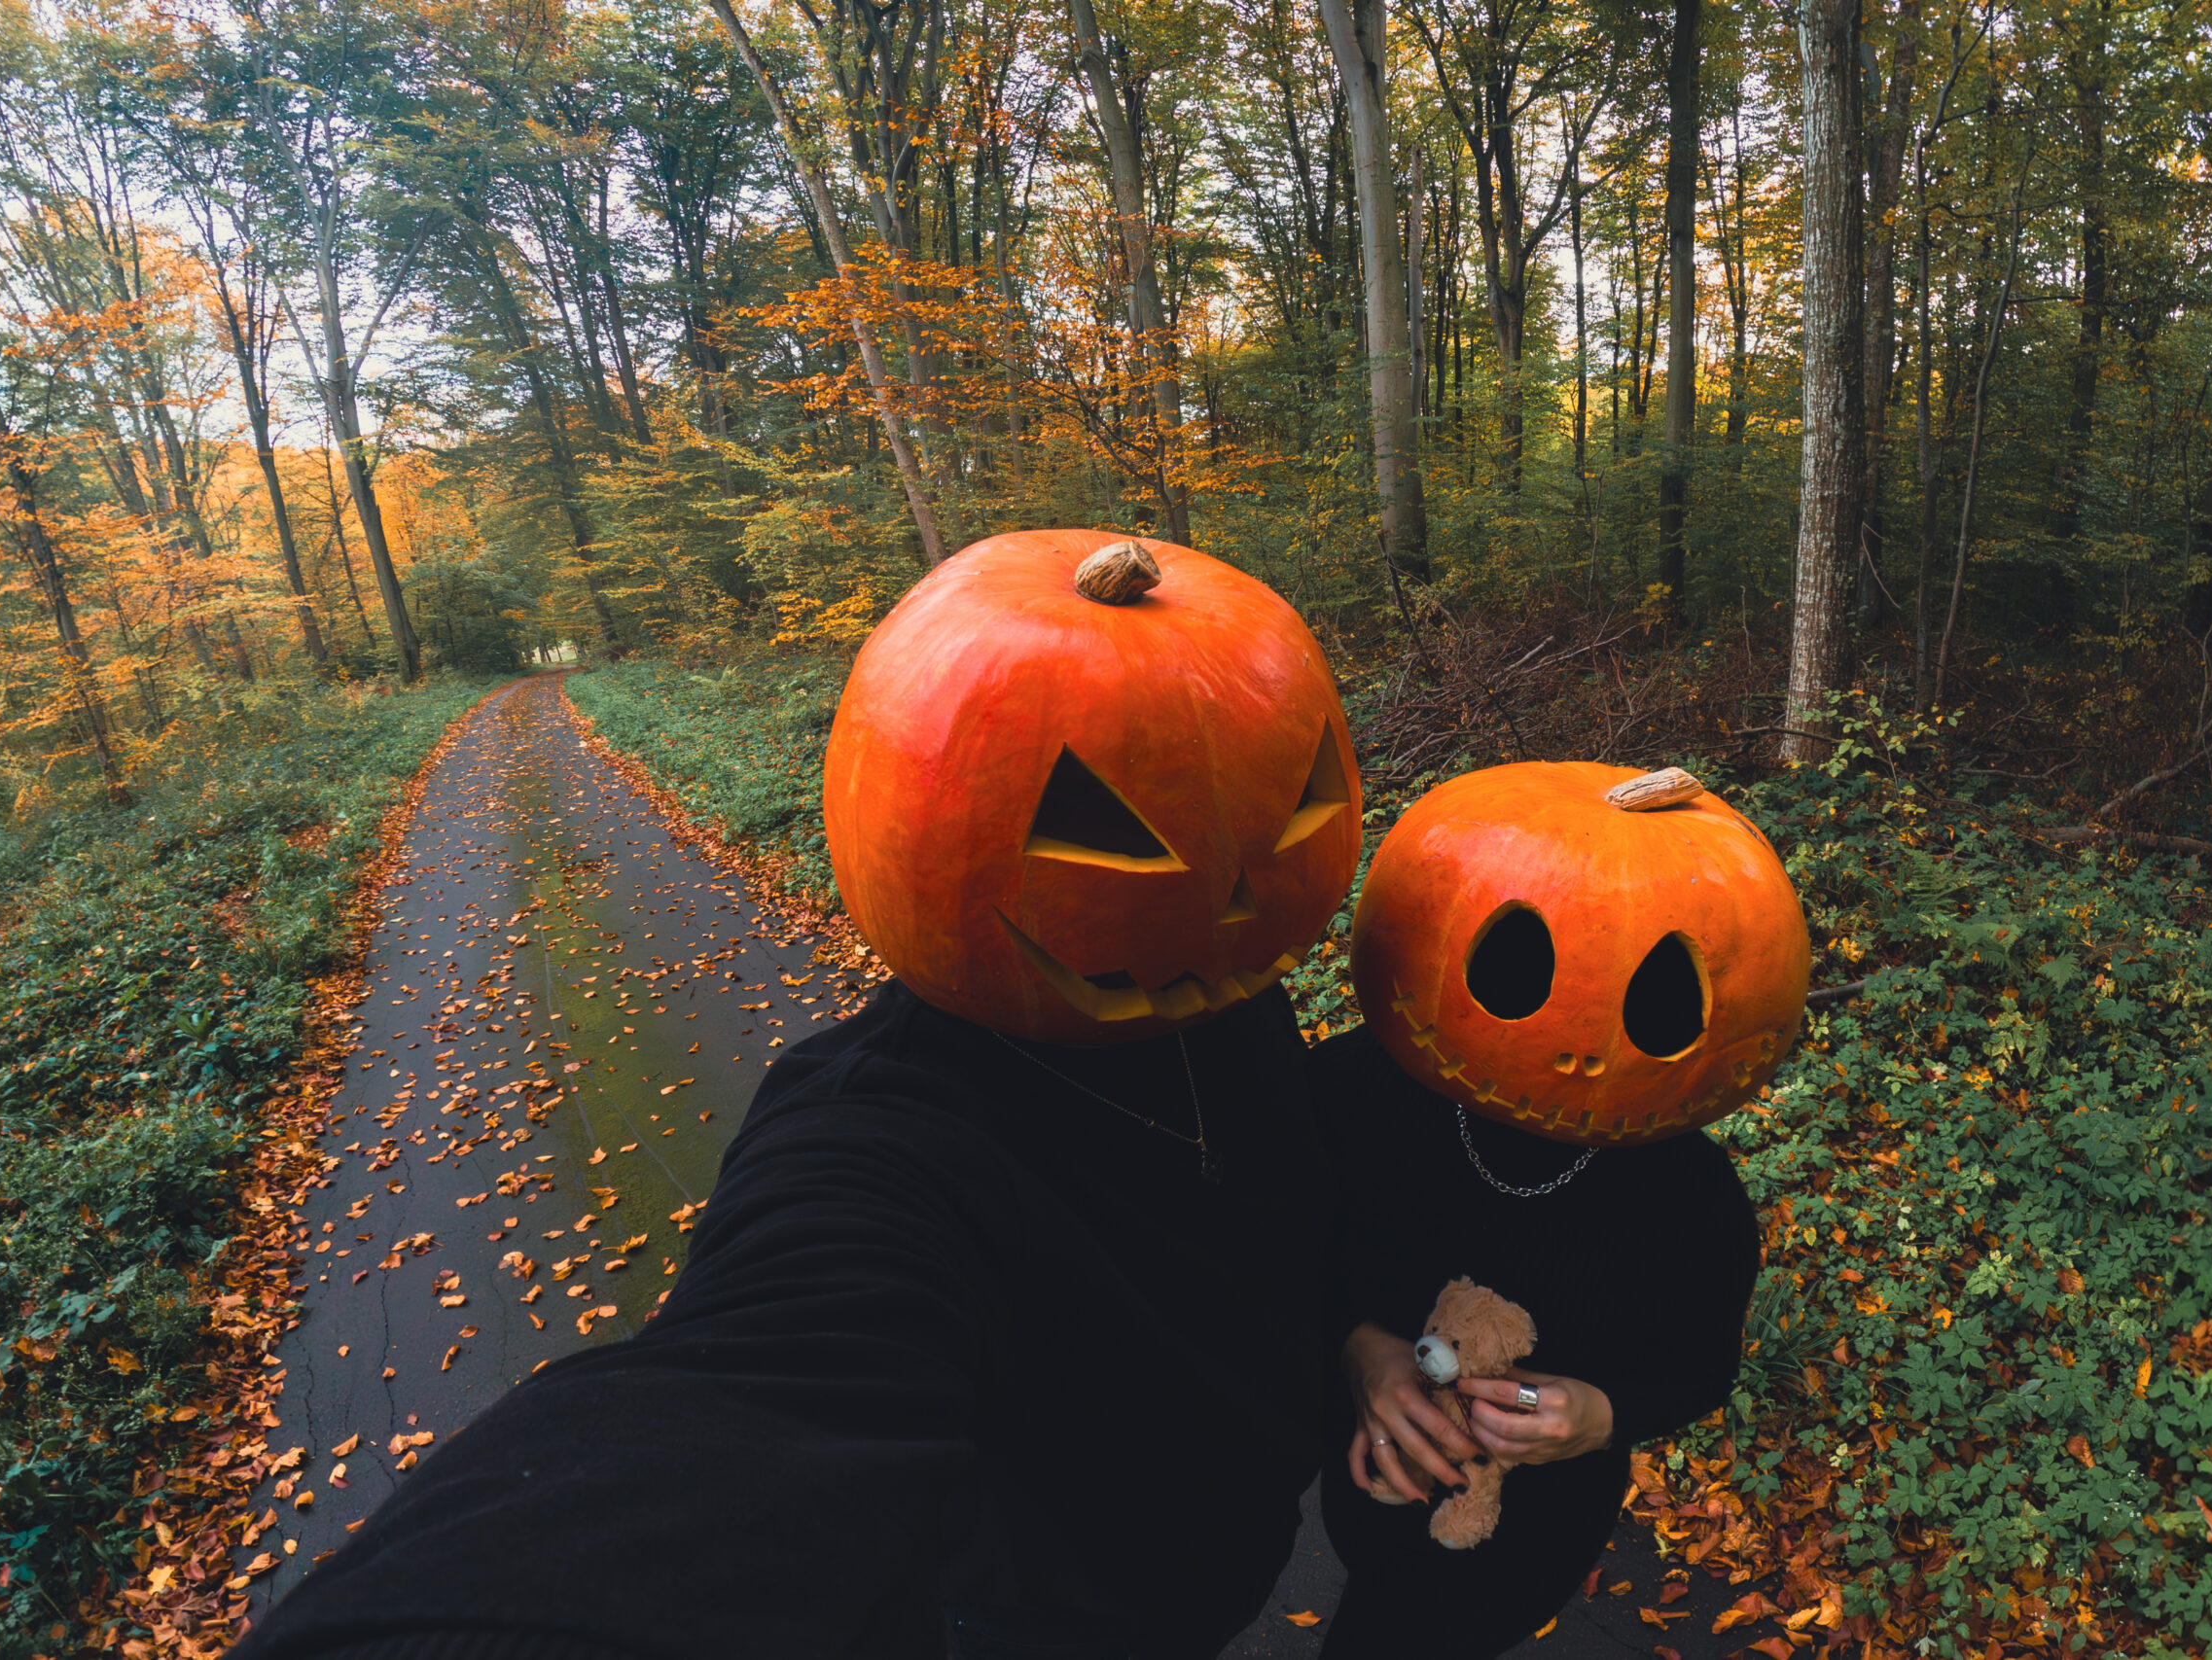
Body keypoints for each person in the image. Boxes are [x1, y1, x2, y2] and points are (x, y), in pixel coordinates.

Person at [235, 532, 1368, 1660]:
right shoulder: (876, 1140)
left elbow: (1328, 1205)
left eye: (1292, 805)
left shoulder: (1232, 1003)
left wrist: (1373, 1340)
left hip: (1231, 1568)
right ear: (907, 794)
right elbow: (759, 1394)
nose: (1226, 900)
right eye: (1102, 832)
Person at [1306, 761, 1802, 1659]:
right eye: (1529, 980)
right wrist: (1361, 1351)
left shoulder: (1690, 1197)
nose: (1576, 1052)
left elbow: (1697, 1366)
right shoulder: (1357, 1095)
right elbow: (1282, 1248)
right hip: (1362, 1479)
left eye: (1639, 1002)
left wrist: (1600, 1415)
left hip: (1533, 1535)